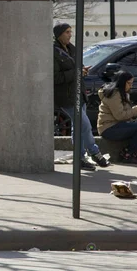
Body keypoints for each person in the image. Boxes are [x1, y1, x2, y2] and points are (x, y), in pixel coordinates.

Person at [53, 23, 109, 171]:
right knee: (84, 125)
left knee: (77, 127)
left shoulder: (72, 49)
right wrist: (77, 72)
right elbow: (55, 77)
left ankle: (80, 157)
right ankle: (94, 152)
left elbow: (77, 68)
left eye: (70, 32)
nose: (70, 34)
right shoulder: (54, 52)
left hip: (79, 93)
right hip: (66, 96)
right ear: (59, 34)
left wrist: (82, 71)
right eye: (67, 32)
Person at [97, 71, 137, 164]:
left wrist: (135, 111)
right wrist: (135, 110)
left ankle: (127, 152)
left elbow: (124, 113)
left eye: (132, 83)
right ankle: (128, 155)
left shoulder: (123, 93)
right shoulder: (114, 94)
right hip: (108, 128)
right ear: (122, 82)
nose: (131, 86)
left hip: (118, 125)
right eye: (129, 83)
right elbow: (119, 116)